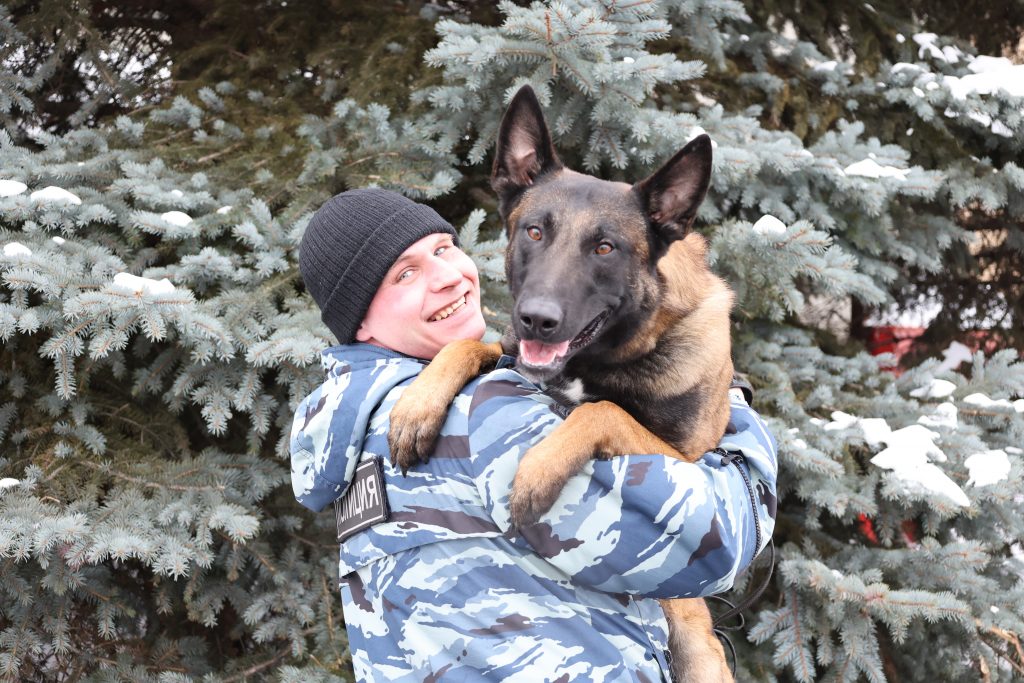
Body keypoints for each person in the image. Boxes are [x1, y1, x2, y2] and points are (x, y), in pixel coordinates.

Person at [290, 188, 778, 682]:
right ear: (361, 321)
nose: (445, 276)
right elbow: (713, 546)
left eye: (442, 248)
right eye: (405, 274)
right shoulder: (484, 416)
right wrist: (730, 402)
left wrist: (464, 356)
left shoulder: (360, 426)